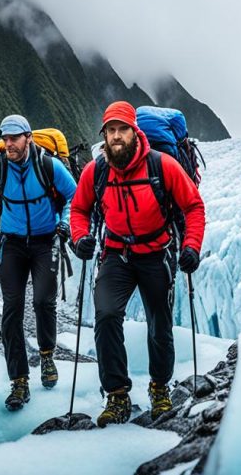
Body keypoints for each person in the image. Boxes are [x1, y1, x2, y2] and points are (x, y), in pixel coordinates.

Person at [69, 101, 205, 427]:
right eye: (110, 131)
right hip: (116, 253)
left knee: (160, 324)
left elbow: (193, 207)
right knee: (105, 315)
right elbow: (79, 209)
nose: (116, 136)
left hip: (156, 252)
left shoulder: (163, 165)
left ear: (134, 131)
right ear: (104, 135)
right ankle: (117, 394)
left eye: (122, 129)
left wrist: (191, 246)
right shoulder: (97, 170)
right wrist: (79, 237)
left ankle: (160, 387)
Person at [0, 114, 77, 411]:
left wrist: (64, 224)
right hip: (10, 243)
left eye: (14, 138)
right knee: (12, 309)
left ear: (28, 138)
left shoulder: (49, 165)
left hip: (44, 241)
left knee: (42, 301)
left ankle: (47, 355)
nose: (8, 143)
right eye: (5, 138)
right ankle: (19, 381)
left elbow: (73, 197)